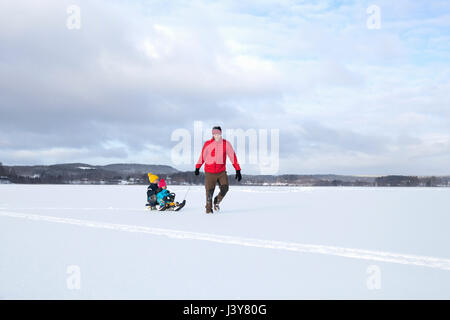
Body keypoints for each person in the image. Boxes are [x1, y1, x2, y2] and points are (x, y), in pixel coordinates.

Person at [194, 126, 242, 214]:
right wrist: (197, 167)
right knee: (209, 192)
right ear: (213, 134)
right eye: (215, 134)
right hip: (209, 172)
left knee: (225, 188)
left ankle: (216, 201)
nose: (216, 135)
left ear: (220, 133)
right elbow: (202, 156)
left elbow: (232, 157)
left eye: (218, 134)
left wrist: (237, 170)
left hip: (221, 172)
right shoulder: (207, 144)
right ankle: (208, 210)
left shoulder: (226, 144)